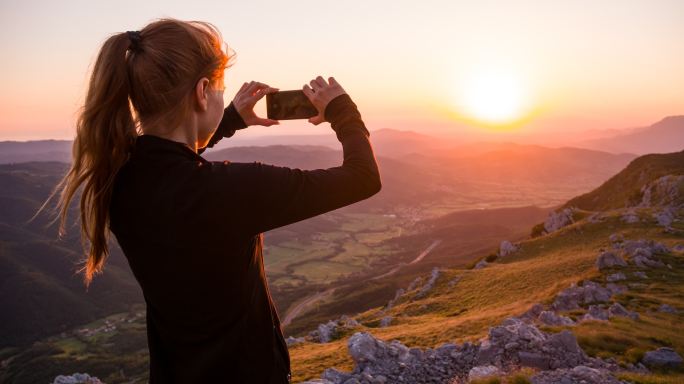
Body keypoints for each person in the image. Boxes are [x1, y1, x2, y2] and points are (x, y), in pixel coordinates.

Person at [39, 18, 381, 383]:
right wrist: (344, 112)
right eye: (220, 89)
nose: (221, 97)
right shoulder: (230, 190)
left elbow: (171, 159)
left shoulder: (118, 177)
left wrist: (230, 118)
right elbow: (362, 178)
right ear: (202, 92)